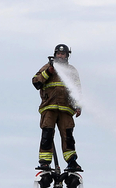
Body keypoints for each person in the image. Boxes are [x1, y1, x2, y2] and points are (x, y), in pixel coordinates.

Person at [32, 44, 82, 173]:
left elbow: (76, 89)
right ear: (55, 54)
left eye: (63, 54)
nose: (60, 56)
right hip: (49, 107)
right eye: (58, 54)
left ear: (67, 56)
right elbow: (36, 81)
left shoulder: (71, 71)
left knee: (68, 136)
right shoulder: (48, 67)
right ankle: (44, 163)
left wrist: (78, 105)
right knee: (47, 134)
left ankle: (71, 161)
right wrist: (48, 73)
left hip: (66, 109)